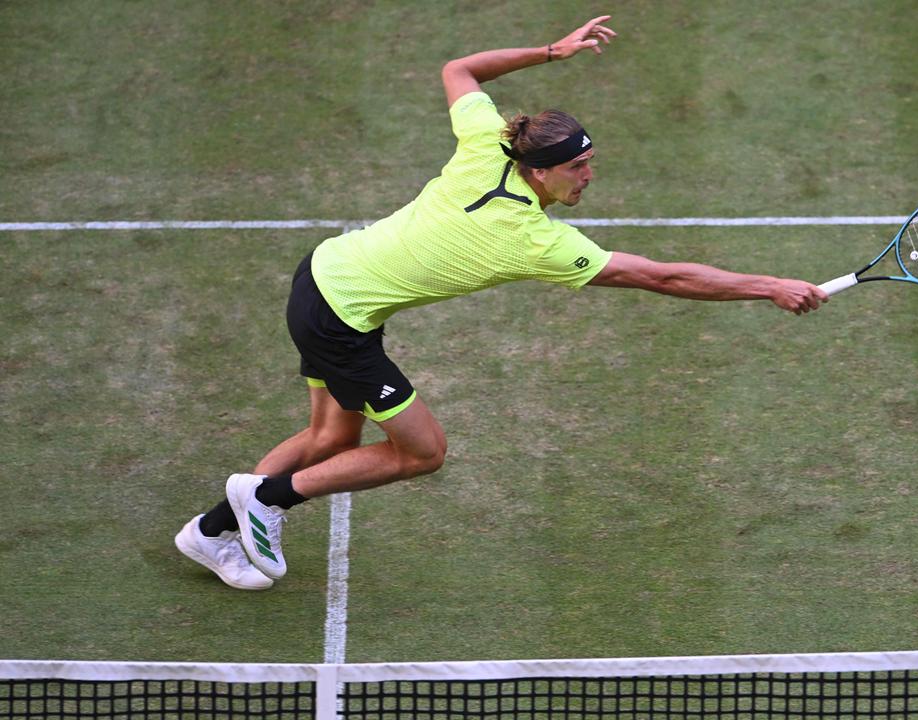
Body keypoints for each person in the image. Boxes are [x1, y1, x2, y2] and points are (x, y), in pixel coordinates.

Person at [175, 15, 827, 590]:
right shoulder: (532, 241)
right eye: (577, 169)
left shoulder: (488, 142)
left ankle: (211, 533)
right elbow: (664, 278)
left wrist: (551, 52)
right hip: (338, 322)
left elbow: (459, 70)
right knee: (422, 452)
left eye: (590, 162)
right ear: (539, 170)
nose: (589, 176)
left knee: (331, 436)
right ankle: (269, 499)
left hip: (322, 277)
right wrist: (768, 286)